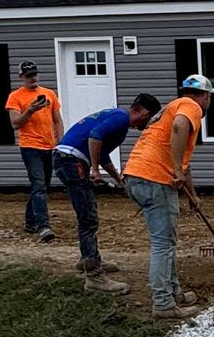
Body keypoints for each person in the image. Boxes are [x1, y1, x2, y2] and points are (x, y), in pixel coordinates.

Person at [120, 72, 211, 312]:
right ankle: (163, 304)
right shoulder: (191, 106)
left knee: (166, 240)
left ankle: (174, 293)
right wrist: (178, 172)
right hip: (154, 179)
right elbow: (180, 130)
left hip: (136, 175)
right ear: (205, 96)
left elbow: (181, 160)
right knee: (163, 243)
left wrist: (192, 194)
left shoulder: (171, 108)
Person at [54, 93, 158, 282]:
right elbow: (94, 137)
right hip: (70, 160)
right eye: (150, 118)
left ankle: (89, 259)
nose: (148, 123)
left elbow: (102, 155)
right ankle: (94, 275)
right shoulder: (120, 117)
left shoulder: (120, 124)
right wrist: (95, 170)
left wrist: (119, 179)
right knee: (88, 217)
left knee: (87, 214)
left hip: (68, 160)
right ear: (144, 113)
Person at [5, 62, 64, 241]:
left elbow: (57, 120)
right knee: (39, 185)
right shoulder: (15, 97)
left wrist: (61, 142)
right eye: (29, 75)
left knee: (42, 185)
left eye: (35, 74)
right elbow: (15, 123)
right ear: (21, 77)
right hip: (30, 146)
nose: (33, 78)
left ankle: (30, 222)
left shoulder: (49, 94)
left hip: (48, 146)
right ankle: (43, 226)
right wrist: (30, 110)